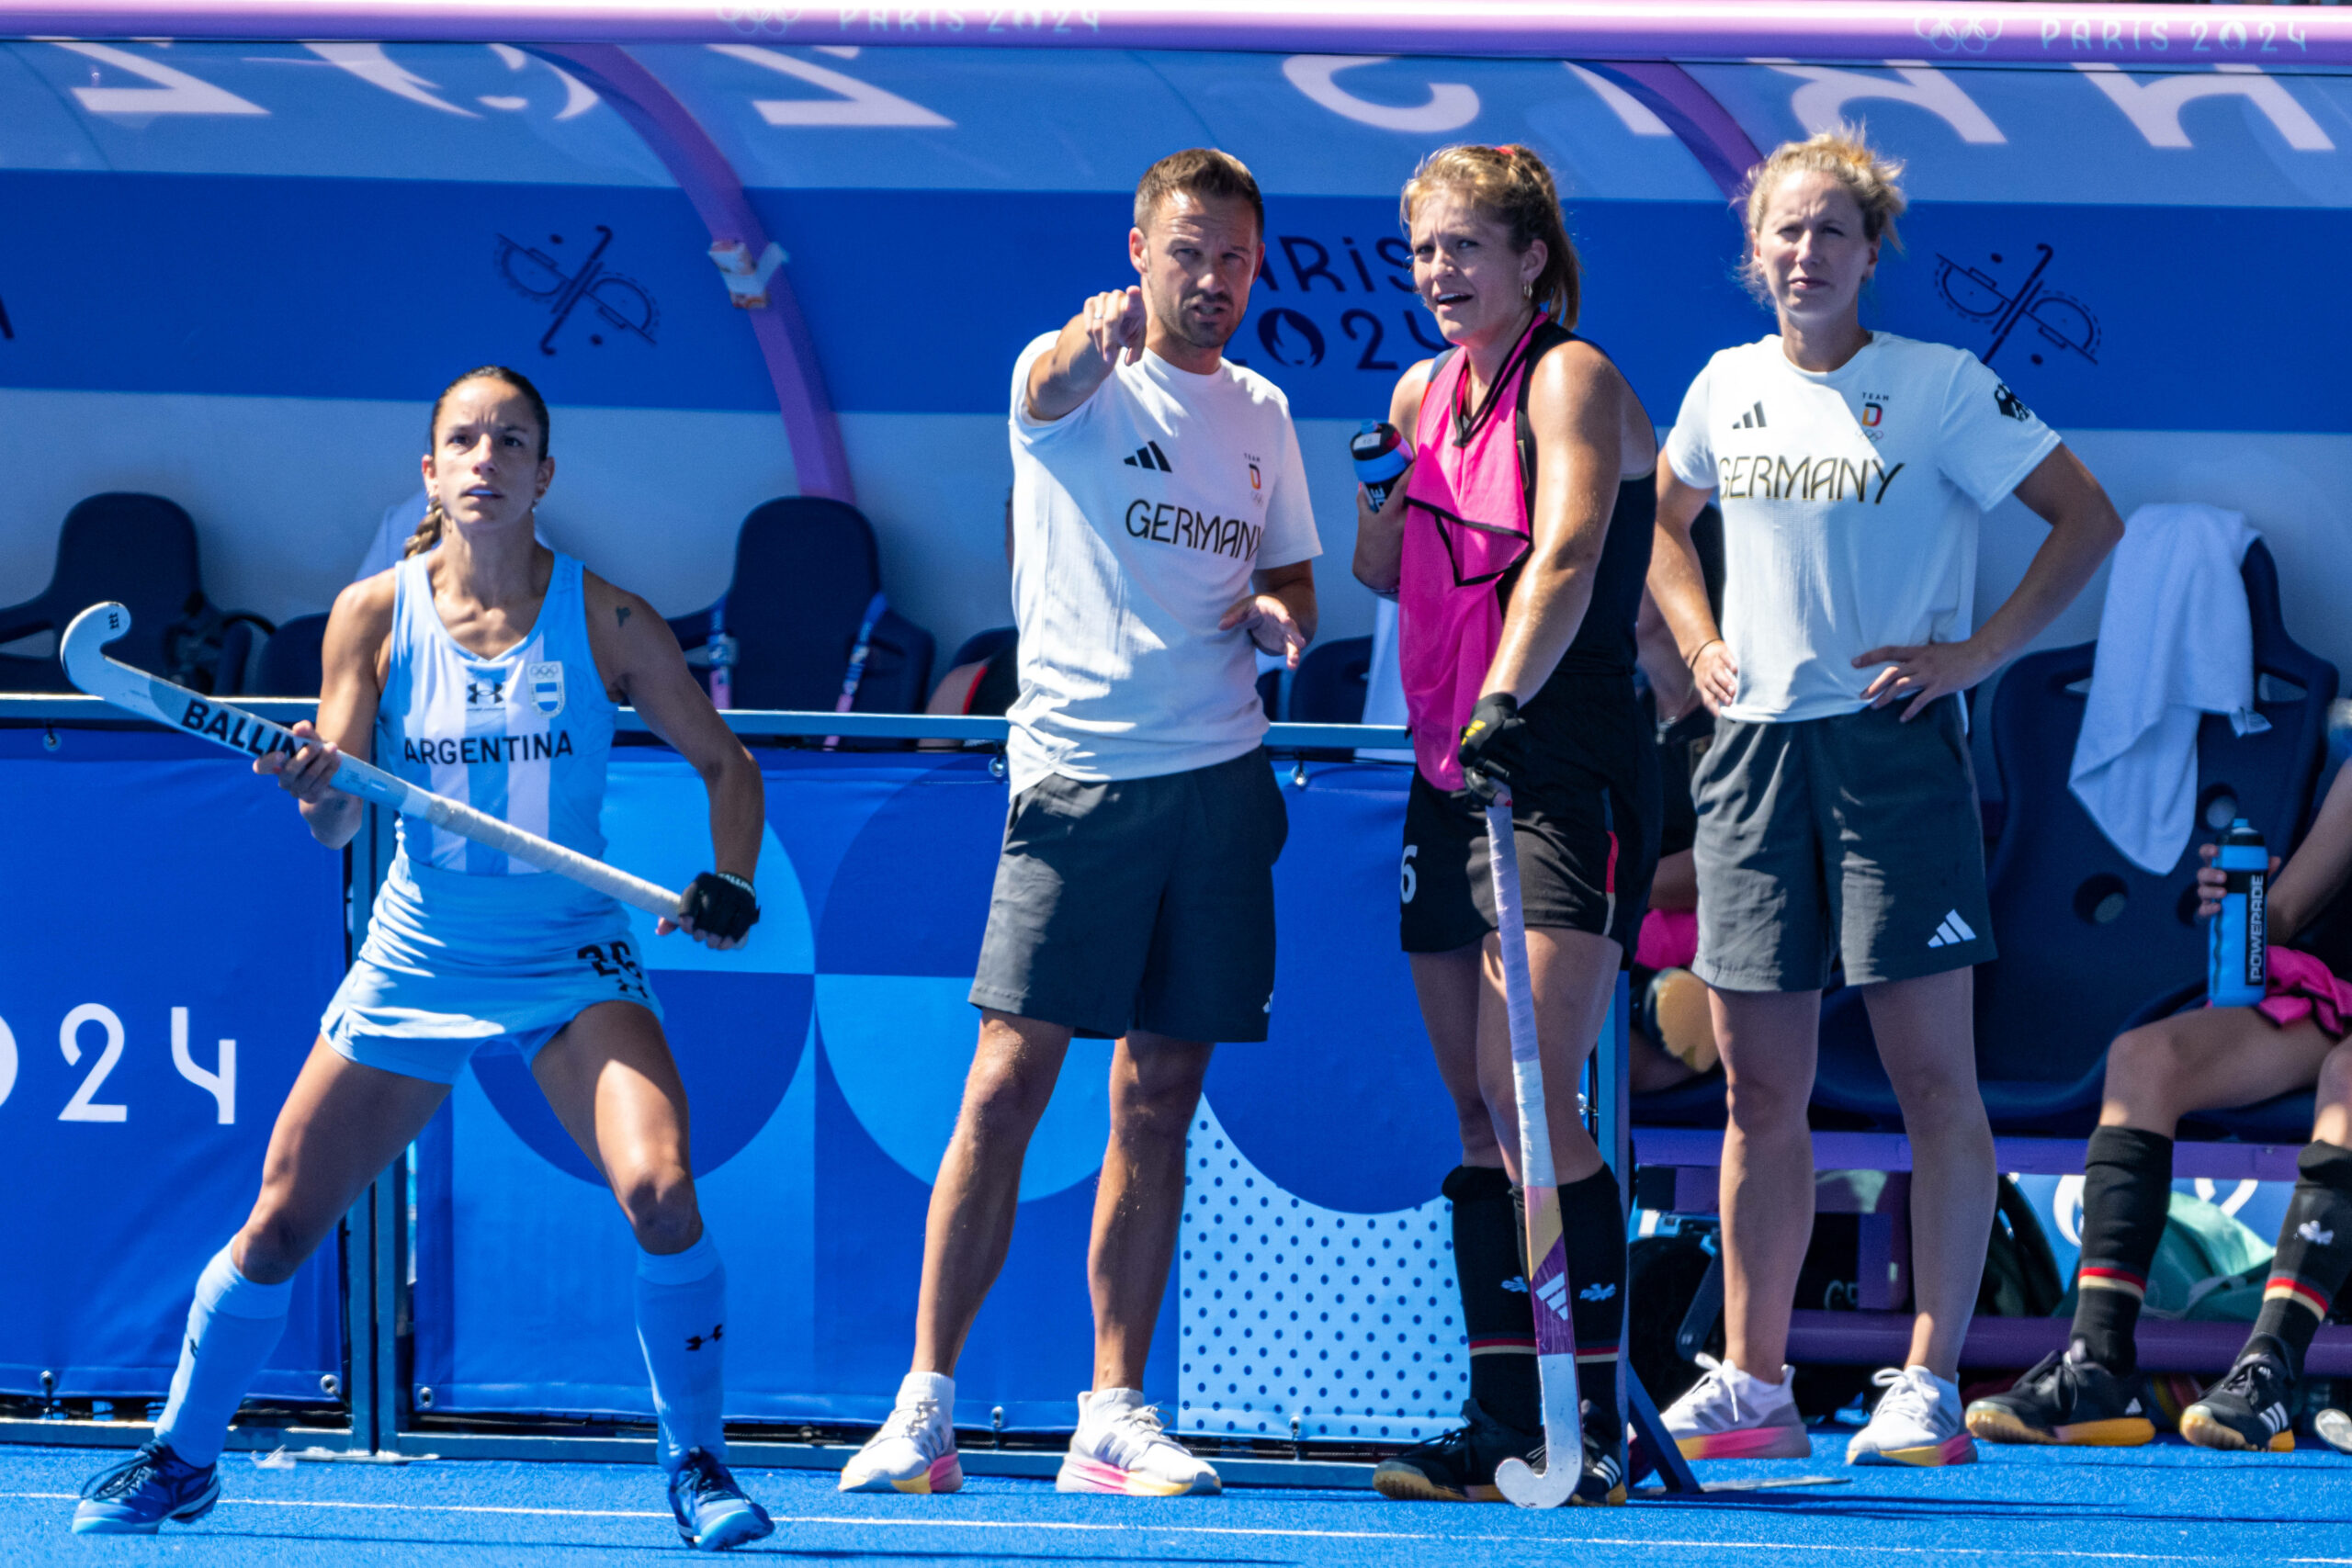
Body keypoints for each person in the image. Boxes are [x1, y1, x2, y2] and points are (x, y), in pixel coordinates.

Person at [72, 367, 776, 1551]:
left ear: (545, 474)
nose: (487, 458)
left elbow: (729, 768)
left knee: (661, 1191)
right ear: (430, 472)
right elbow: (341, 817)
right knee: (282, 1226)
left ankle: (698, 1464)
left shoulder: (607, 618)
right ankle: (182, 1456)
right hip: (420, 956)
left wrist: (733, 882)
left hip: (571, 954)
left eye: (512, 441)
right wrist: (311, 789)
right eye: (465, 440)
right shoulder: (372, 615)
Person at [837, 148, 1319, 1500]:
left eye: (1233, 256)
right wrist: (1084, 342)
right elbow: (1045, 380)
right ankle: (923, 1406)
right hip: (1073, 782)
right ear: (1139, 250)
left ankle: (1111, 1411)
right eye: (1187, 252)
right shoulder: (1068, 380)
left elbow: (1291, 579)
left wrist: (1283, 617)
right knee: (1005, 1083)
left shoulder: (1267, 416)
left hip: (1221, 785)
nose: (1211, 278)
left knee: (1159, 1097)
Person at [1645, 127, 2124, 1467]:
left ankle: (1923, 1377)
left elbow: (2087, 520)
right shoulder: (1724, 386)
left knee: (1931, 1077)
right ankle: (1753, 1380)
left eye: (1833, 233)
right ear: (1757, 251)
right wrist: (1693, 644)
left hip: (1895, 751)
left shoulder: (1942, 387)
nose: (1808, 254)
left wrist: (1977, 653)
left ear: (1872, 253)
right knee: (1760, 1089)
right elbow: (1660, 527)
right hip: (1748, 764)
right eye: (1786, 232)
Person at [1350, 143, 1659, 1507]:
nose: (1441, 274)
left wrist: (1499, 697)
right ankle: (1500, 1420)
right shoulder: (1424, 391)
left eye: (1466, 246)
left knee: (1535, 1100)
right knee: (1478, 1106)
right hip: (1444, 767)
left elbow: (1574, 552)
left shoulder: (1572, 376)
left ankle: (1580, 1423)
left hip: (1554, 759)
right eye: (1424, 250)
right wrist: (1379, 476)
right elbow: (1379, 567)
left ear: (1531, 257)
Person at [1968, 762, 2352, 1453]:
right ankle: (2096, 1366)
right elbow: (2287, 917)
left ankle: (2269, 1370)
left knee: (2348, 1078)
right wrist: (2247, 899)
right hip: (2334, 994)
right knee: (2142, 1061)